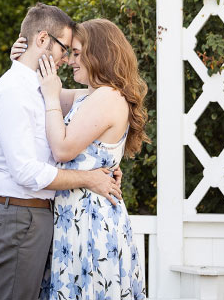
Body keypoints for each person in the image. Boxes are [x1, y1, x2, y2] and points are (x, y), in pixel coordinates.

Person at [0, 4, 123, 300]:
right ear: (43, 40)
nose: (67, 58)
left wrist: (104, 163)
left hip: (37, 217)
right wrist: (88, 177)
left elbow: (95, 99)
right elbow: (26, 171)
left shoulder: (39, 88)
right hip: (20, 214)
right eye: (65, 49)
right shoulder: (15, 92)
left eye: (74, 51)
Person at [32, 18, 149, 300]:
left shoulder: (108, 97)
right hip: (77, 215)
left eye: (76, 53)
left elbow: (62, 149)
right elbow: (41, 89)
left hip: (90, 221)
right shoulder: (92, 95)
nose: (71, 60)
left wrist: (50, 98)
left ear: (98, 53)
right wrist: (26, 60)